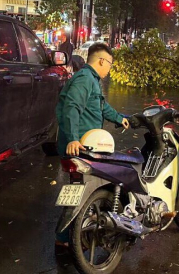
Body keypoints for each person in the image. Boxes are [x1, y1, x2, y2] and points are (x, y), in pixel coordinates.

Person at [54, 43, 129, 249]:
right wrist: (72, 138)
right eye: (110, 64)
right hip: (78, 145)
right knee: (78, 191)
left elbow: (101, 107)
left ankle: (73, 236)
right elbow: (71, 107)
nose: (110, 69)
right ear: (102, 60)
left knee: (81, 191)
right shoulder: (85, 79)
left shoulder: (93, 81)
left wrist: (120, 118)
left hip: (87, 144)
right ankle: (65, 238)